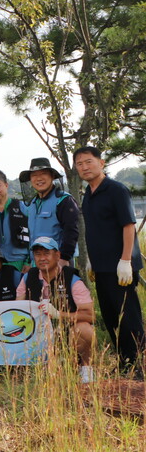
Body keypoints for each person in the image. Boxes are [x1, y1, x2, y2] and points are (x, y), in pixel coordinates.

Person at [75, 146, 144, 375]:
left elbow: (128, 225)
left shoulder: (116, 190)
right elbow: (94, 231)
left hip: (120, 267)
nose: (84, 167)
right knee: (111, 317)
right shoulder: (88, 195)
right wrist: (91, 261)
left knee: (129, 318)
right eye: (80, 164)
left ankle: (138, 366)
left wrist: (126, 260)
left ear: (101, 163)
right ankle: (124, 364)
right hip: (102, 268)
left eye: (88, 162)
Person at [17, 236, 96, 383]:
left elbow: (90, 315)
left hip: (66, 332)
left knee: (84, 329)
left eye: (46, 253)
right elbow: (16, 308)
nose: (42, 258)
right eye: (38, 254)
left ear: (57, 255)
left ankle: (86, 369)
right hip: (37, 335)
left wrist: (59, 314)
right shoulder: (28, 277)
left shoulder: (72, 279)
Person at [20, 157, 79, 264]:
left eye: (43, 174)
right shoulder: (32, 204)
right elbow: (30, 236)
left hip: (58, 261)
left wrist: (65, 258)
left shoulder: (63, 200)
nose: (39, 178)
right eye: (34, 175)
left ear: (52, 176)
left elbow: (71, 231)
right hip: (37, 262)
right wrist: (28, 261)